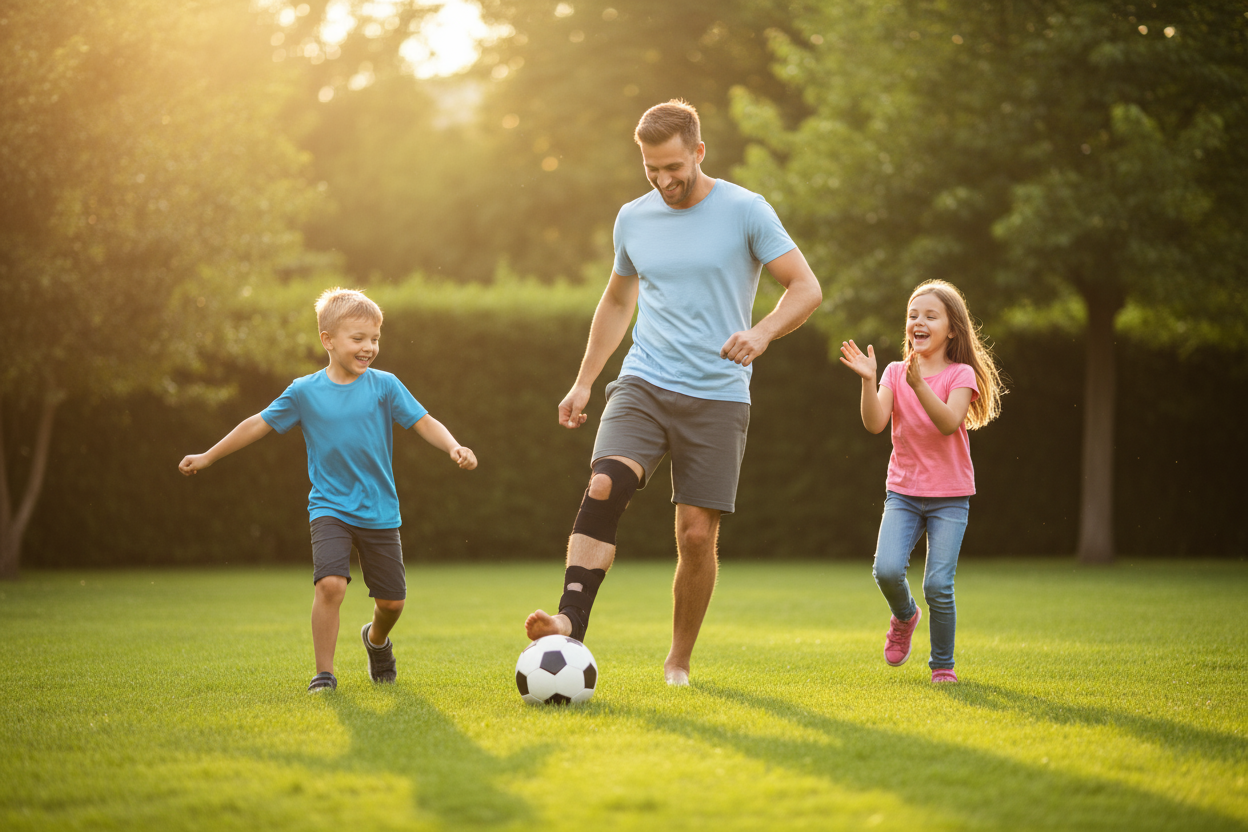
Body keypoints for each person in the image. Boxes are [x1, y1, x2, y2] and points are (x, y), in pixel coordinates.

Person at [523, 100, 823, 686]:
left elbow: (806, 287)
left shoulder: (746, 210)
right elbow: (616, 300)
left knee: (695, 533)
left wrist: (762, 333)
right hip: (645, 380)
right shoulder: (633, 219)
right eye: (651, 170)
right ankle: (570, 622)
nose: (663, 181)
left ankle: (678, 660)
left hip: (718, 395)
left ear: (698, 151)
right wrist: (585, 381)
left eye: (673, 168)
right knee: (606, 483)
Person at [178, 288, 477, 692]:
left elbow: (424, 421)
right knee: (331, 584)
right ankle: (325, 673)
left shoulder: (385, 386)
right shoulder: (304, 391)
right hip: (329, 506)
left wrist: (454, 445)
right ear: (328, 340)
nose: (369, 347)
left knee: (392, 603)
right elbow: (258, 423)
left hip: (379, 510)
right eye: (358, 339)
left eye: (374, 339)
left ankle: (376, 640)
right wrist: (208, 456)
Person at [838, 279, 1003, 683]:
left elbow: (948, 423)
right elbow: (875, 423)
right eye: (913, 315)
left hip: (950, 495)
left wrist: (918, 386)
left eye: (930, 315)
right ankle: (905, 615)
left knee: (938, 584)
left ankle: (942, 665)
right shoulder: (895, 372)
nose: (919, 322)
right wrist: (867, 379)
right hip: (904, 493)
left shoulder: (960, 374)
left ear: (952, 329)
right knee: (887, 570)